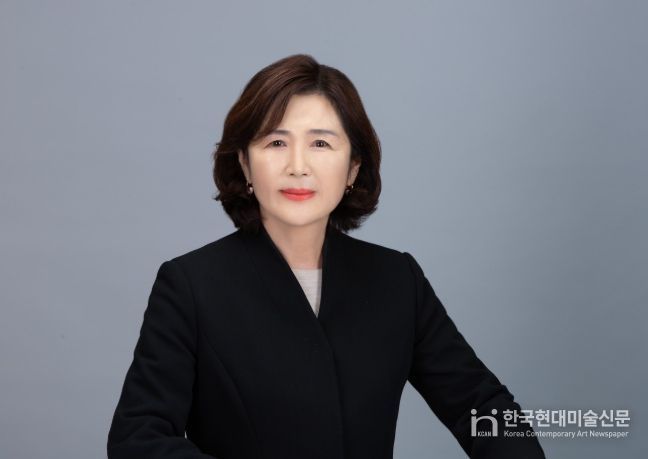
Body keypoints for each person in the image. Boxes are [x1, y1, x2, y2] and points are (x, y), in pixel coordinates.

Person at [107, 54, 546, 459]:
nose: (298, 166)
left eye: (320, 144)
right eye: (275, 143)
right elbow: (138, 439)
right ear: (244, 163)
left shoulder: (396, 279)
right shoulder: (191, 285)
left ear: (353, 167)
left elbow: (482, 406)